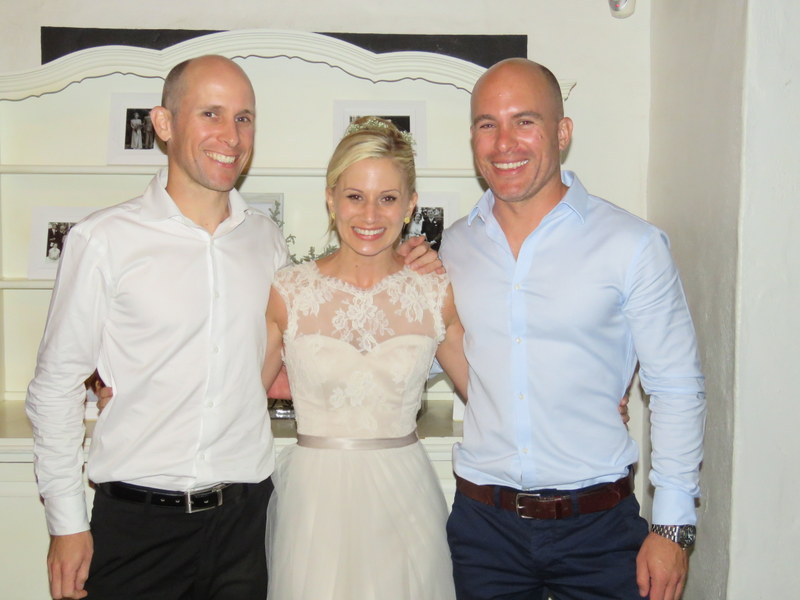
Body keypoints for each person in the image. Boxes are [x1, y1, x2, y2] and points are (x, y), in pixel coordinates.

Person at [25, 56, 439, 600]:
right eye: (211, 114)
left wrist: (401, 267)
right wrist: (66, 522)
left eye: (244, 118)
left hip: (247, 525)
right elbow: (54, 387)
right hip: (137, 523)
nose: (231, 135)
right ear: (164, 123)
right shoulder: (103, 241)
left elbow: (299, 351)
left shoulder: (266, 241)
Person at [441, 58, 706, 600]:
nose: (504, 142)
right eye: (488, 124)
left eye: (525, 121)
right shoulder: (453, 247)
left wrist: (672, 526)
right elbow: (425, 351)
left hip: (600, 530)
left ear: (562, 133)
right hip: (483, 530)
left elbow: (676, 386)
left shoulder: (632, 245)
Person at [261, 117, 467, 600]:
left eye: (387, 198)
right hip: (315, 504)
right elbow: (237, 393)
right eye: (355, 196)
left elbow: (490, 392)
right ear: (331, 198)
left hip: (405, 499)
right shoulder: (288, 290)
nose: (370, 214)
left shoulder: (436, 291)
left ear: (410, 205)